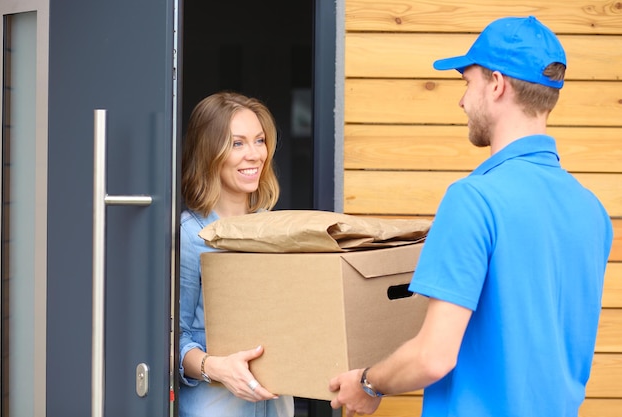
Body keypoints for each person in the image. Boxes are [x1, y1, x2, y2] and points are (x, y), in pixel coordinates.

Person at [329, 16, 613, 417]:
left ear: (496, 84)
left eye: (467, 83)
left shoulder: (474, 199)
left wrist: (367, 383)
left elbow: (433, 357)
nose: (462, 101)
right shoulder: (592, 211)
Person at [178, 91, 294, 417]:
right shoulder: (190, 236)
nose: (254, 154)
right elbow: (173, 338)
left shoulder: (276, 231)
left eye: (259, 141)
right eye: (237, 143)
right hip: (216, 406)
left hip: (277, 403)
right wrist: (218, 368)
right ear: (209, 153)